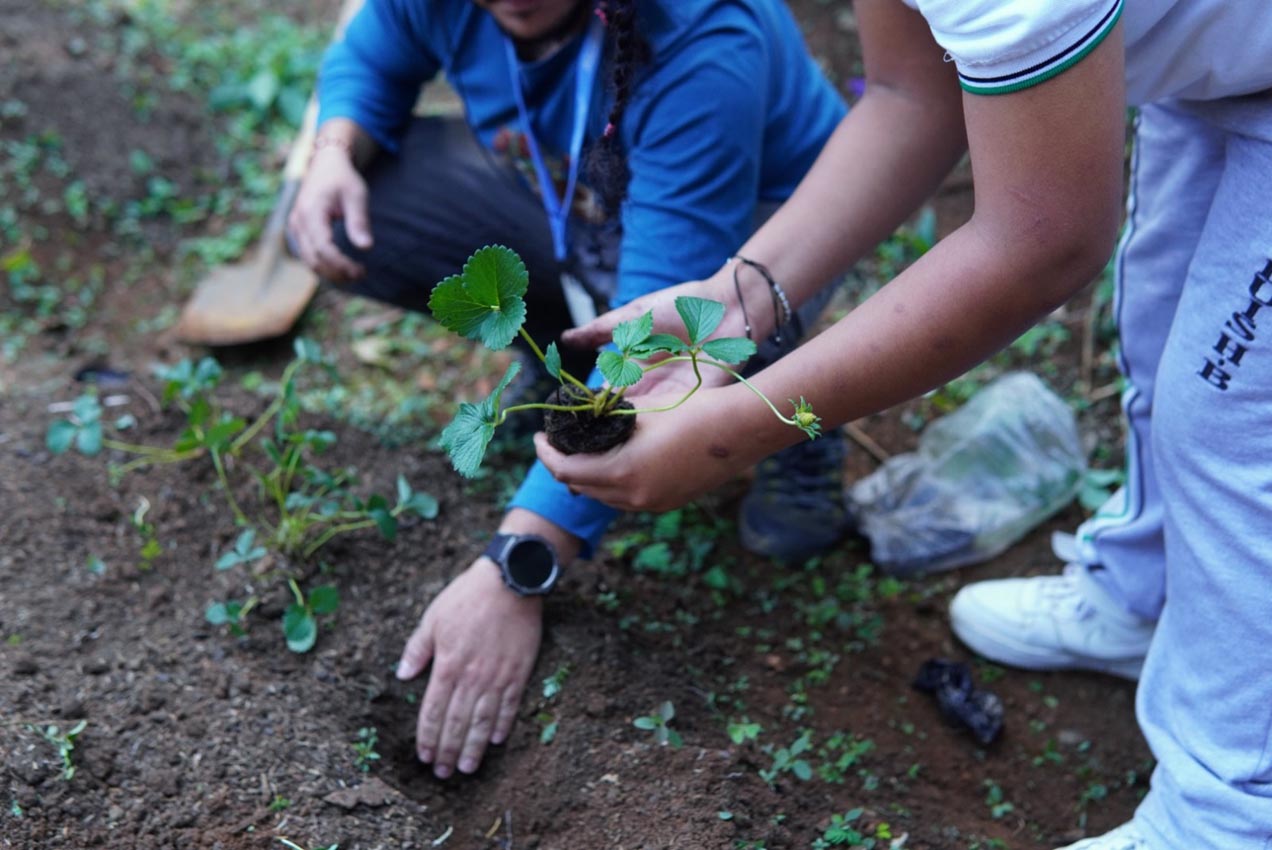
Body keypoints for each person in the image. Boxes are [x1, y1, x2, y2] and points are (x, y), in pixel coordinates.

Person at [537, 1, 1272, 847]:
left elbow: (1042, 243)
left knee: (1230, 417)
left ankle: (1228, 812)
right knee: (1163, 326)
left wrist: (732, 430)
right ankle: (1151, 596)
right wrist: (735, 301)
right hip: (1222, 71)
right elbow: (908, 94)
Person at [287, 0, 853, 779]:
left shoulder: (703, 41)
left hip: (759, 235)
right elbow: (374, 50)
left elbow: (655, 352)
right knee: (358, 206)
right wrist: (333, 147)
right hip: (586, 206)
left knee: (706, 341)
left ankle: (795, 412)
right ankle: (566, 345)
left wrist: (518, 563)